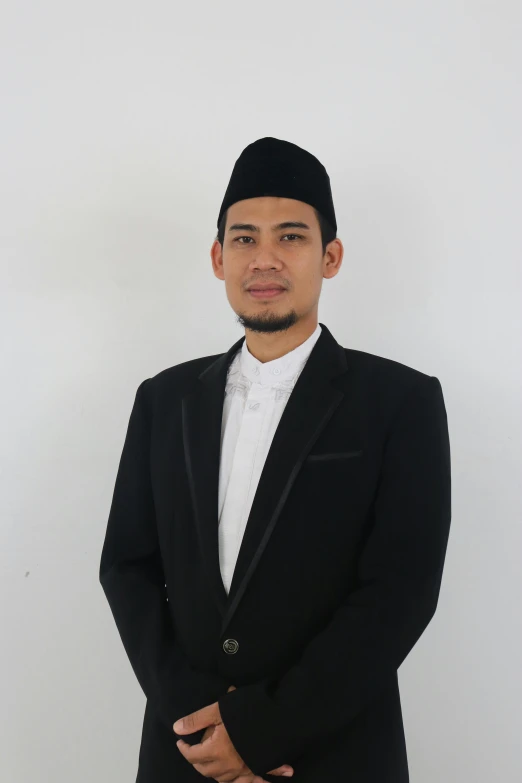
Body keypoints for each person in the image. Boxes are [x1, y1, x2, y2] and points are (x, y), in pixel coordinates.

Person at [99, 136, 452, 783]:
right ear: (217, 256)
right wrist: (203, 723)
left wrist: (262, 730)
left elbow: (400, 591)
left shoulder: (401, 401)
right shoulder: (164, 399)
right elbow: (127, 565)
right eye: (243, 238)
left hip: (331, 756)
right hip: (187, 756)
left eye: (290, 236)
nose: (264, 258)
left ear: (331, 255)